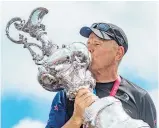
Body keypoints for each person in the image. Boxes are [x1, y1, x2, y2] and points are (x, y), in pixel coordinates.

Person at [45, 23, 157, 128]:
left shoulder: (140, 97)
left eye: (97, 44)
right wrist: (76, 118)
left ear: (118, 53)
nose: (89, 49)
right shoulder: (66, 94)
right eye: (88, 43)